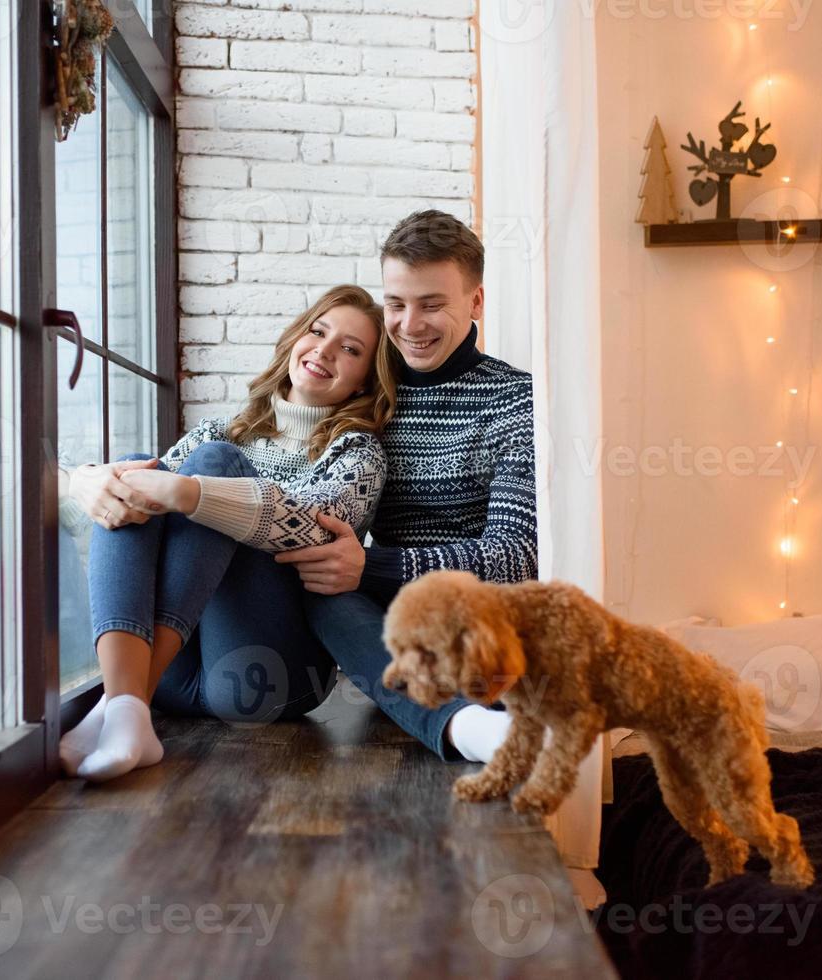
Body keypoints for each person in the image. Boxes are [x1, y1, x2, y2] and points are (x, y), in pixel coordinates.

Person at [273, 212, 608, 906]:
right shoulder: (366, 386)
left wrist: (372, 568)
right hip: (371, 620)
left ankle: (466, 724)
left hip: (469, 624)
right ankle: (461, 725)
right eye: (395, 304)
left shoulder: (515, 401)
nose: (409, 324)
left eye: (431, 304)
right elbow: (277, 444)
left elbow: (513, 557)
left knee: (336, 586)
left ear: (475, 302)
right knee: (319, 584)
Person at [56, 284, 400, 782]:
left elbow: (312, 530)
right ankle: (126, 708)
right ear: (294, 340)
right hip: (167, 676)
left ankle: (119, 706)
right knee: (135, 467)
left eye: (350, 349)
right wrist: (83, 480)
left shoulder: (357, 454)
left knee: (217, 470)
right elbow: (137, 503)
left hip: (262, 677)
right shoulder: (221, 429)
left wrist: (197, 494)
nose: (325, 351)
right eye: (318, 331)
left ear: (365, 382)